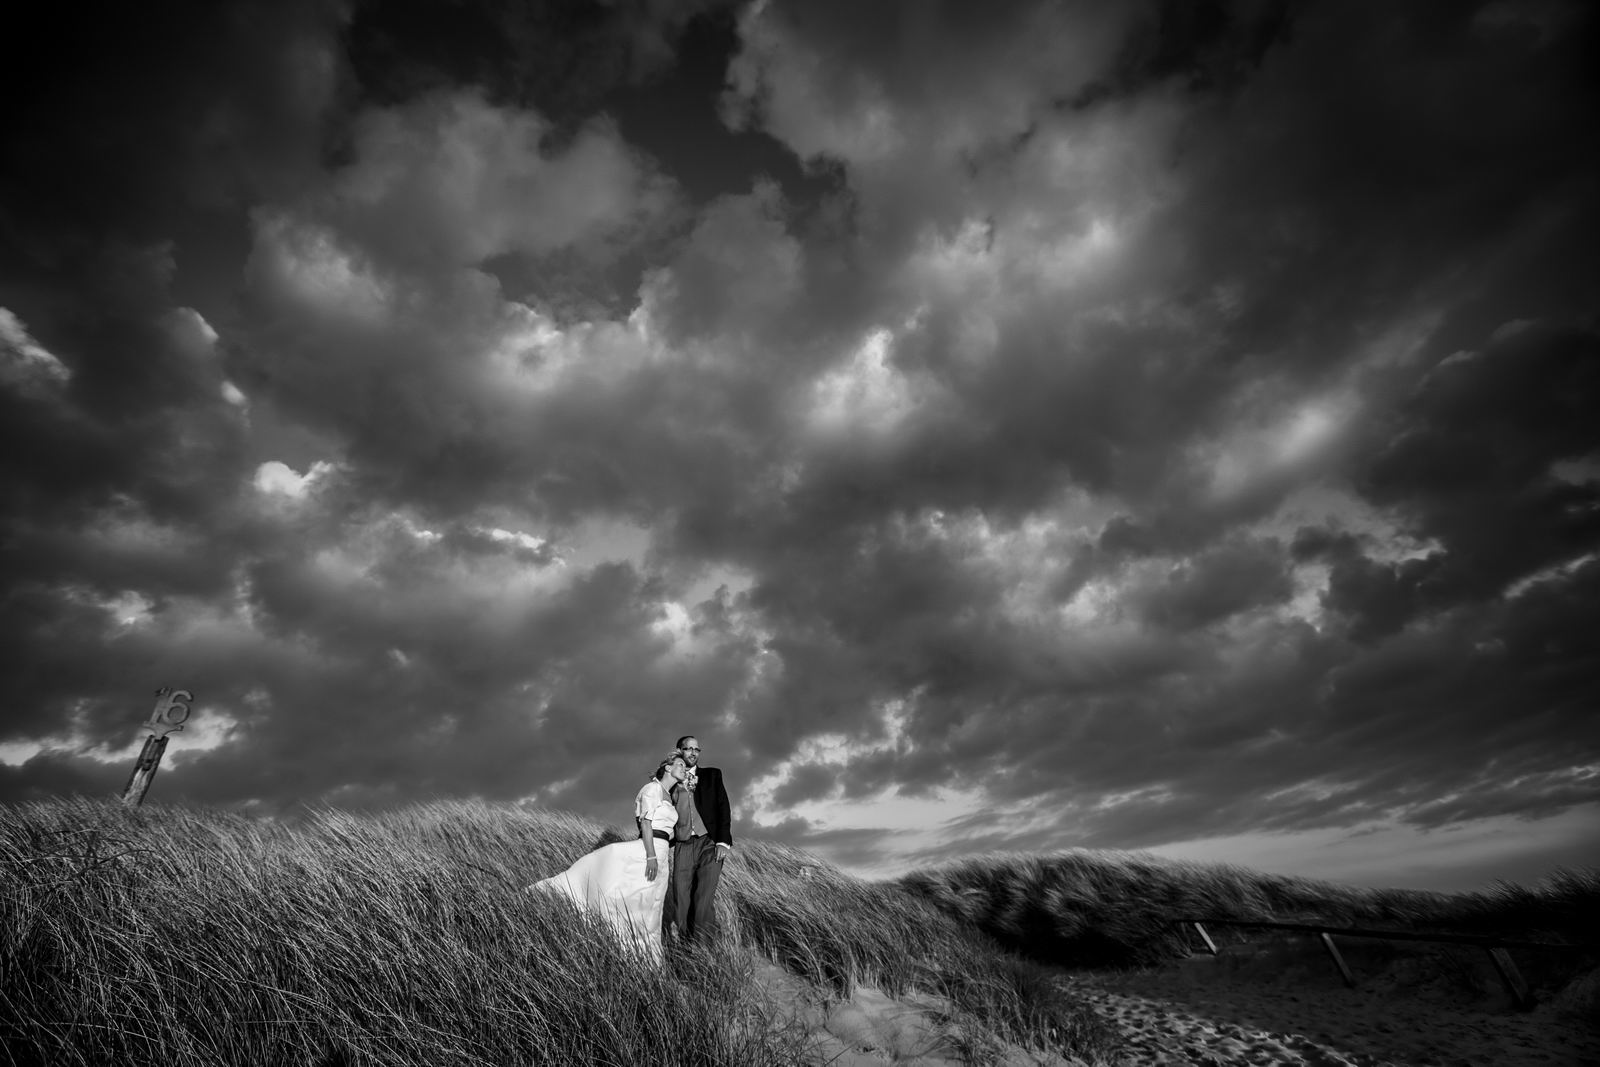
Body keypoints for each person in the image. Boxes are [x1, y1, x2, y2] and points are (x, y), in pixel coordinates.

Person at [529, 753, 688, 964]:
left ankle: (650, 963)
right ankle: (628, 953)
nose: (684, 768)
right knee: (637, 905)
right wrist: (650, 855)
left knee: (653, 909)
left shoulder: (670, 795)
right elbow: (646, 823)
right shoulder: (652, 789)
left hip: (663, 852)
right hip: (649, 850)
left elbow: (671, 831)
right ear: (667, 767)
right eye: (680, 764)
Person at [666, 734, 732, 943]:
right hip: (683, 844)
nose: (694, 752)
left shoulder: (712, 775)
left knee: (703, 898)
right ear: (680, 751)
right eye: (689, 748)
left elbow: (723, 807)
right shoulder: (670, 779)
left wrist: (723, 842)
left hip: (709, 843)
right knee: (681, 898)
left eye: (697, 749)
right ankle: (684, 946)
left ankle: (704, 949)